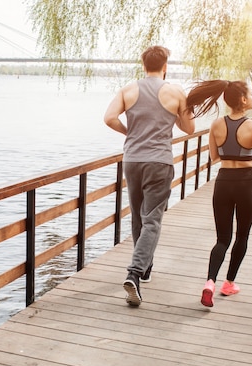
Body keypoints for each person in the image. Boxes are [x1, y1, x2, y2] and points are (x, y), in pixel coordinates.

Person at [104, 45, 195, 306]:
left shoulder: (128, 90)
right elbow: (189, 128)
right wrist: (175, 114)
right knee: (152, 219)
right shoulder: (176, 92)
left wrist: (130, 133)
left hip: (132, 160)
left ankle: (144, 270)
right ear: (165, 66)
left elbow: (109, 118)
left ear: (143, 66)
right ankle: (134, 272)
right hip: (159, 162)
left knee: (138, 217)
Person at [185, 80, 252, 307]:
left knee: (222, 239)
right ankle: (229, 283)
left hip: (222, 183)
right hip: (245, 184)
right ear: (242, 99)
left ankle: (210, 282)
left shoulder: (216, 124)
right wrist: (248, 155)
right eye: (250, 94)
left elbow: (214, 157)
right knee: (242, 236)